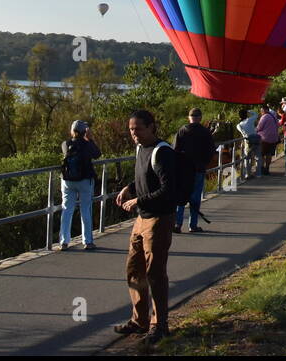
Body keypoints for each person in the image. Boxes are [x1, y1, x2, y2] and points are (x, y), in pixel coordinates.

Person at [113, 109, 176, 344]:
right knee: (134, 269)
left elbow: (167, 189)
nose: (134, 133)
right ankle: (139, 320)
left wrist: (138, 200)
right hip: (142, 218)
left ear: (152, 127)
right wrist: (129, 187)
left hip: (158, 219)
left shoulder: (163, 152)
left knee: (155, 273)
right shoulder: (140, 149)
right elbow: (144, 177)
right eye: (131, 129)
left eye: (138, 129)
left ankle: (159, 325)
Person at [58, 120, 101, 251]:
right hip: (85, 181)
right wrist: (90, 139)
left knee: (67, 209)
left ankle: (64, 242)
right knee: (85, 210)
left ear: (72, 131)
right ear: (84, 132)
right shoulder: (87, 144)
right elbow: (97, 154)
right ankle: (87, 242)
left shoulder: (65, 144)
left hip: (67, 181)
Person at [174, 107, 214, 233]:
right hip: (198, 169)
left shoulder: (182, 130)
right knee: (195, 197)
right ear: (200, 118)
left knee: (180, 197)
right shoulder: (205, 132)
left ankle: (177, 224)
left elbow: (175, 149)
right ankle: (193, 225)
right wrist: (204, 163)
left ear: (189, 117)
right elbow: (211, 150)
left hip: (183, 170)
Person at [256, 103, 280, 176]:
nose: (261, 112)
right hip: (273, 138)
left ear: (265, 110)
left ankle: (262, 168)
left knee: (262, 154)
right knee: (269, 154)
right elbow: (278, 125)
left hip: (264, 138)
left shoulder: (264, 117)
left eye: (262, 110)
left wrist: (254, 130)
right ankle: (267, 168)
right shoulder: (273, 116)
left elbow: (259, 127)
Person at [236, 108, 260, 178]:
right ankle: (258, 174)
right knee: (257, 157)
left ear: (239, 116)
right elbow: (256, 114)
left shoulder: (238, 125)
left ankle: (247, 174)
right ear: (246, 115)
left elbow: (243, 133)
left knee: (247, 158)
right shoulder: (250, 120)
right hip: (256, 139)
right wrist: (248, 111)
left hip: (248, 141)